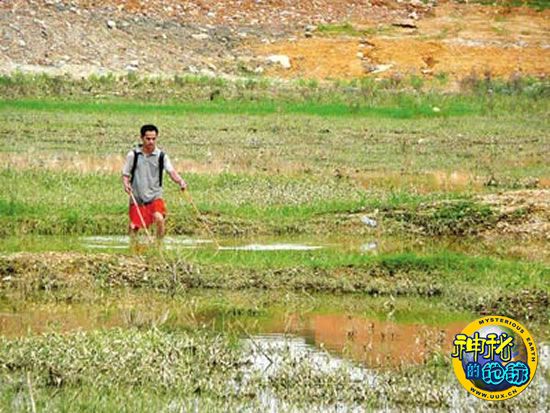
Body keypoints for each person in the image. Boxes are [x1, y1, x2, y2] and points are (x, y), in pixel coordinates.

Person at [122, 124, 187, 242]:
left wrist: (180, 181)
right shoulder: (133, 155)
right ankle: (132, 246)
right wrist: (126, 184)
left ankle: (159, 245)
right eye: (148, 139)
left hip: (154, 196)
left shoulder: (161, 156)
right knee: (134, 226)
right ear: (142, 138)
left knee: (159, 218)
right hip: (137, 197)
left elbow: (171, 172)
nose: (151, 142)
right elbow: (126, 174)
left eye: (153, 139)